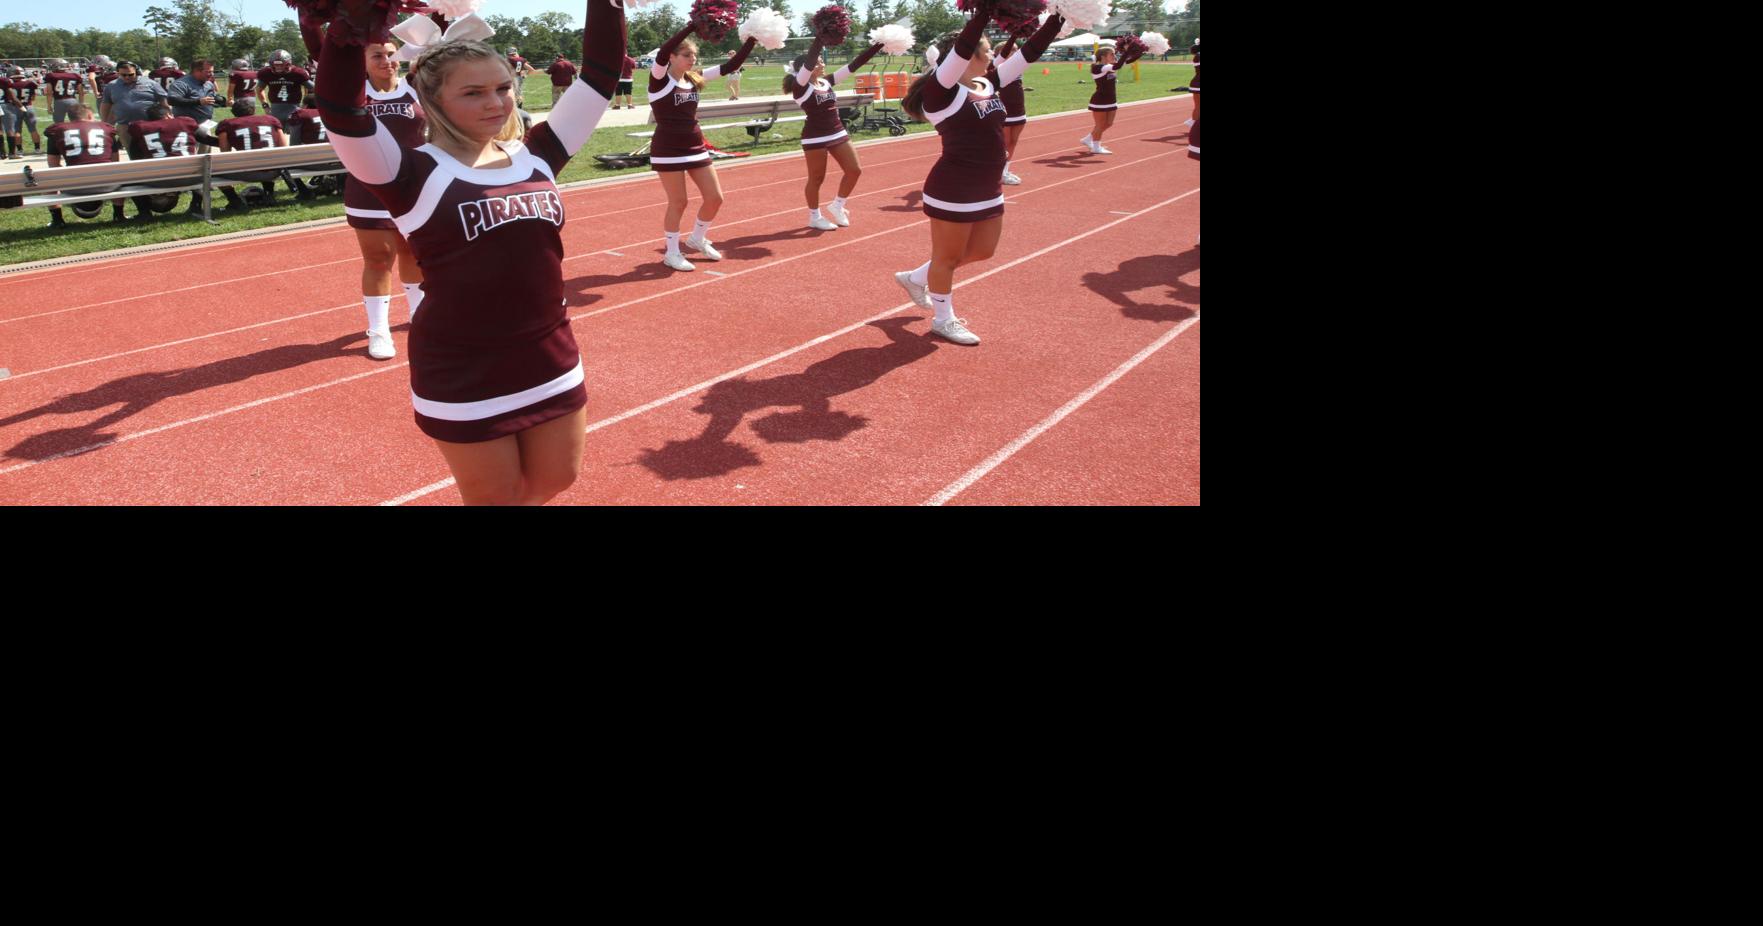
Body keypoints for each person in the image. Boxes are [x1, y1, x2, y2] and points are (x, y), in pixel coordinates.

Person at [312, 0, 628, 505]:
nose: (496, 103)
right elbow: (341, 109)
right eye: (473, 92)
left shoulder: (539, 154)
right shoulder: (406, 172)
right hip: (463, 365)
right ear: (433, 100)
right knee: (493, 497)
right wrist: (351, 22)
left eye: (503, 88)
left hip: (549, 351)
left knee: (557, 480)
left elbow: (600, 76)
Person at [894, 7, 1062, 345]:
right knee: (948, 258)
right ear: (968, 55)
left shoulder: (989, 82)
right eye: (987, 50)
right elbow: (964, 44)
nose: (994, 55)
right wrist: (985, 10)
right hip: (953, 187)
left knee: (984, 250)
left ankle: (916, 277)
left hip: (988, 185)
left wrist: (1059, 17)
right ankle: (944, 319)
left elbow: (1030, 53)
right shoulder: (941, 93)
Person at [342, 38, 428, 361]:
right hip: (368, 186)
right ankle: (378, 329)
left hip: (413, 184)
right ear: (362, 61)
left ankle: (419, 316)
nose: (386, 61)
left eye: (391, 54)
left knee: (414, 252)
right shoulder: (354, 93)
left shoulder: (415, 88)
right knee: (378, 259)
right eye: (376, 55)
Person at [648, 21, 758, 271]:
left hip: (695, 145)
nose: (692, 59)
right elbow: (663, 50)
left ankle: (697, 238)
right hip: (668, 148)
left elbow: (730, 65)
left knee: (715, 198)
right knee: (678, 202)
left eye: (694, 55)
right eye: (687, 55)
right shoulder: (659, 80)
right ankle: (672, 252)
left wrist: (751, 40)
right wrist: (692, 26)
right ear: (672, 58)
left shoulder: (694, 78)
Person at [783, 36, 883, 230]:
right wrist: (821, 36)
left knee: (854, 170)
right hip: (815, 136)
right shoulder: (801, 87)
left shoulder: (826, 82)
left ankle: (838, 205)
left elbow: (854, 65)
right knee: (817, 178)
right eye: (819, 61)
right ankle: (814, 217)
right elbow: (811, 58)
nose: (822, 63)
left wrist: (878, 45)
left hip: (837, 132)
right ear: (808, 67)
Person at [44, 103, 131, 226]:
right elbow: (115, 162)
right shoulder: (106, 128)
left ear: (70, 118)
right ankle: (119, 214)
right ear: (90, 115)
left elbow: (53, 166)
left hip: (75, 186)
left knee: (49, 179)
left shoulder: (57, 131)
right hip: (108, 184)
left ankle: (57, 220)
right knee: (117, 173)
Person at [98, 61, 169, 158]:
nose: (127, 77)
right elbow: (106, 105)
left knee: (154, 153)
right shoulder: (111, 86)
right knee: (133, 155)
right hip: (126, 126)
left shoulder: (150, 83)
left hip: (149, 125)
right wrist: (105, 123)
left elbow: (164, 102)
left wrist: (168, 118)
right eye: (124, 75)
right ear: (118, 73)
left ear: (136, 72)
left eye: (131, 75)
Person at [1081, 42, 1141, 154]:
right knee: (1100, 125)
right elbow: (1118, 65)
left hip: (1111, 100)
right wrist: (1126, 51)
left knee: (1108, 123)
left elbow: (1128, 60)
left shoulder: (1110, 66)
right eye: (1112, 54)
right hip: (1100, 100)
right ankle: (1096, 147)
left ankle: (1088, 139)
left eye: (1114, 54)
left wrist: (1140, 50)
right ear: (1103, 57)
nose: (1115, 56)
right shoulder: (1098, 67)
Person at [257, 50, 314, 126]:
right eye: (275, 65)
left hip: (294, 108)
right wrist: (265, 106)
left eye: (281, 65)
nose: (278, 67)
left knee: (294, 134)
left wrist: (305, 104)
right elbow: (259, 90)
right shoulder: (266, 73)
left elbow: (314, 89)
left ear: (288, 63)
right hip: (275, 109)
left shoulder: (298, 73)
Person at [167, 60, 226, 125]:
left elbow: (210, 100)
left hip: (205, 125)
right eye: (208, 72)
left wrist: (222, 102)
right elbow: (172, 100)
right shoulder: (181, 84)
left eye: (212, 72)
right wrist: (198, 102)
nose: (212, 74)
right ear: (196, 71)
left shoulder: (209, 84)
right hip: (185, 125)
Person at [45, 58, 91, 124]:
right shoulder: (75, 75)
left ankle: (61, 134)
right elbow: (81, 92)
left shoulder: (51, 76)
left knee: (58, 124)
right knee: (76, 122)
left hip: (59, 101)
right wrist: (81, 104)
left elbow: (49, 93)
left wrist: (49, 106)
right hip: (72, 100)